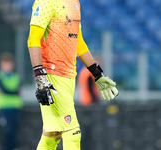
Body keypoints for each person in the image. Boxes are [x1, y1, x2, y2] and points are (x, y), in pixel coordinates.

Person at [27, 0, 119, 149]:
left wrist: (97, 73)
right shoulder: (45, 2)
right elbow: (33, 38)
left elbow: (79, 42)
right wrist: (40, 77)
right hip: (52, 75)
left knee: (53, 133)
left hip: (69, 76)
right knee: (73, 131)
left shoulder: (74, 2)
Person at [0, 52, 23, 150]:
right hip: (4, 108)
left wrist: (11, 92)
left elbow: (18, 90)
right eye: (5, 63)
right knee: (6, 132)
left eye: (9, 63)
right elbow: (3, 91)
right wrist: (14, 92)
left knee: (15, 132)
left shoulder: (15, 76)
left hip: (15, 108)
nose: (8, 66)